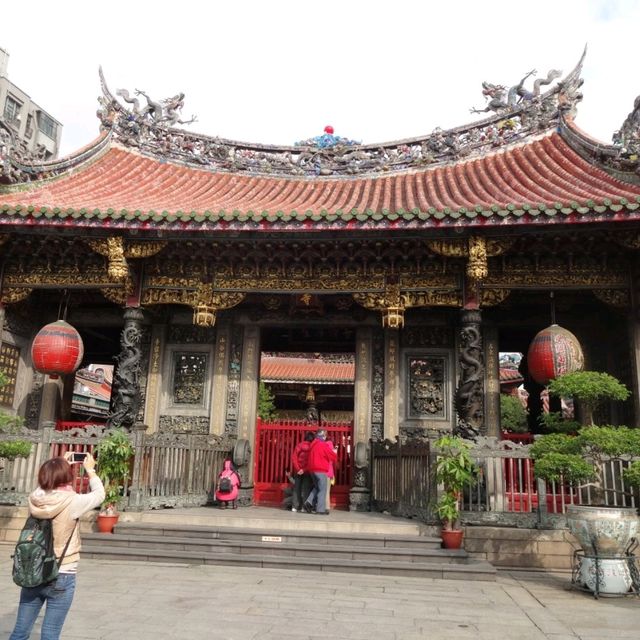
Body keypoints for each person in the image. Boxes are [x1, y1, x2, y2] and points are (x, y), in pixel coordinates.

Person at [9, 451, 105, 640]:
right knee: (50, 633)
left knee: (20, 631)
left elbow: (45, 486)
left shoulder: (35, 498)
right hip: (62, 572)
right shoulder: (73, 502)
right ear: (67, 477)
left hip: (34, 568)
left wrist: (58, 463)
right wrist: (90, 470)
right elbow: (99, 494)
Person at [303, 429, 337, 516]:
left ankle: (308, 502)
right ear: (322, 436)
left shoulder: (313, 445)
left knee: (317, 487)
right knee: (322, 489)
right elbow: (333, 456)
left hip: (312, 469)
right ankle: (320, 509)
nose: (325, 437)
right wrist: (335, 451)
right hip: (320, 469)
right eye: (325, 435)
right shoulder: (323, 445)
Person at [290, 432, 314, 512]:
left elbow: (294, 458)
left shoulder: (299, 445)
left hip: (297, 471)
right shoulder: (312, 447)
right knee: (306, 489)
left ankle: (295, 506)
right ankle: (304, 507)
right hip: (307, 471)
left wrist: (298, 469)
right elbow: (311, 461)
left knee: (297, 488)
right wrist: (304, 470)